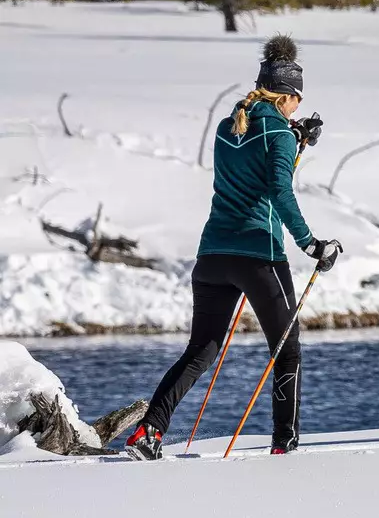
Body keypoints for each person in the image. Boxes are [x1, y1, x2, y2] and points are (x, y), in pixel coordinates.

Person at [125, 36, 342, 458]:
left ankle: (148, 433)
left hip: (212, 257)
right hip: (258, 255)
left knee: (201, 350)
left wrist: (297, 140)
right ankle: (284, 445)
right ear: (287, 96)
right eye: (297, 100)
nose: (298, 107)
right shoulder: (278, 131)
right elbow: (278, 188)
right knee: (286, 347)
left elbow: (251, 166)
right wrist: (311, 244)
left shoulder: (230, 126)